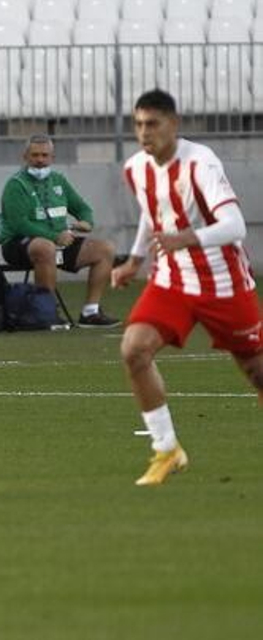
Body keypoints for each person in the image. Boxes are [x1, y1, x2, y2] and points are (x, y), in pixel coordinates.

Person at [111, 89, 263, 486]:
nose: (145, 133)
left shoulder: (200, 164)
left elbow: (235, 226)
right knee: (134, 349)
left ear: (173, 125)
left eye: (153, 124)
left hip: (222, 281)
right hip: (173, 279)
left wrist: (186, 238)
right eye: (139, 124)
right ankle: (166, 450)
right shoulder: (135, 168)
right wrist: (135, 259)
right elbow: (152, 212)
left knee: (256, 370)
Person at [0, 134, 120, 327]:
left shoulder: (58, 181)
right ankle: (45, 312)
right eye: (35, 155)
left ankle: (90, 312)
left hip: (58, 242)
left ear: (52, 157)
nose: (40, 160)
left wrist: (86, 221)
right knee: (45, 248)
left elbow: (82, 208)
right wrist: (55, 236)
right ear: (25, 156)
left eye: (45, 155)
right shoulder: (16, 185)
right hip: (19, 244)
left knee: (105, 249)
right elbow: (19, 224)